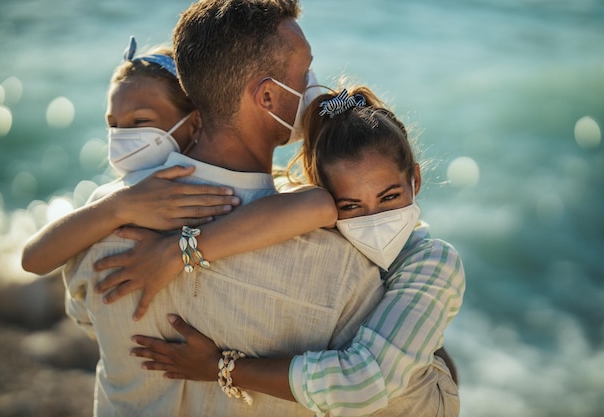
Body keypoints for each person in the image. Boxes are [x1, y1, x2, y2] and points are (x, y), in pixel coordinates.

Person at [60, 1, 385, 416]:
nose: (312, 86)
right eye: (304, 73)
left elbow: (83, 316)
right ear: (267, 96)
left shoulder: (100, 220)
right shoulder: (338, 264)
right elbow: (382, 388)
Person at [127, 86, 466, 417]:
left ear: (415, 181)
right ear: (325, 198)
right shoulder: (321, 224)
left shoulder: (434, 261)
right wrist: (177, 248)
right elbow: (304, 206)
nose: (374, 219)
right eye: (350, 205)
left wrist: (222, 367)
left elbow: (363, 382)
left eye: (389, 197)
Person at [21, 36, 240, 276]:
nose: (121, 136)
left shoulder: (222, 192)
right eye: (113, 125)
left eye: (140, 121)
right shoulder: (113, 198)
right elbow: (33, 261)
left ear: (194, 123)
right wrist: (119, 207)